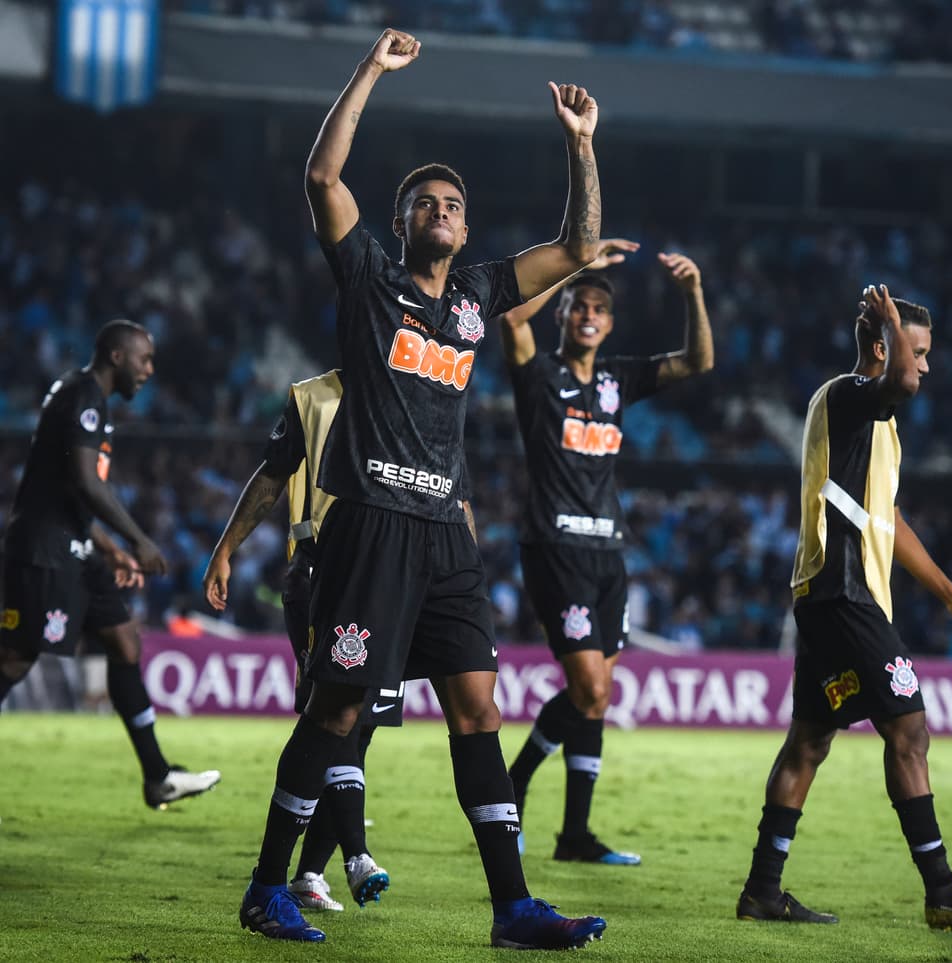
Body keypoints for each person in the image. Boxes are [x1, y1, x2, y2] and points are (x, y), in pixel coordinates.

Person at [237, 28, 607, 949]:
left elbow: (578, 248)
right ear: (401, 223)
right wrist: (371, 72)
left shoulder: (479, 292)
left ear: (466, 228)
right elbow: (324, 181)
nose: (441, 209)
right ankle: (265, 886)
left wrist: (581, 143)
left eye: (453, 202)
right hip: (371, 526)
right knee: (338, 709)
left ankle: (513, 907)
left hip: (447, 532)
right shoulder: (369, 275)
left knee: (478, 707)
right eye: (424, 202)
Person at [735, 285, 952, 929]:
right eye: (917, 352)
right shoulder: (849, 395)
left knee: (809, 742)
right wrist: (894, 327)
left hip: (829, 593)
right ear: (881, 348)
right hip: (844, 594)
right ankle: (942, 887)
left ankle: (762, 889)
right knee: (910, 732)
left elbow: (885, 520)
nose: (924, 366)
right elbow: (901, 381)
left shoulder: (873, 427)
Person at [499, 240, 712, 865]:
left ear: (611, 322)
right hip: (555, 548)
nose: (588, 313)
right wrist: (575, 265)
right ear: (563, 316)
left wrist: (693, 292)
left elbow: (698, 361)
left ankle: (575, 836)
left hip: (608, 554)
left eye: (598, 307)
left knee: (597, 697)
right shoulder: (540, 376)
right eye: (577, 305)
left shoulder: (619, 379)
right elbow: (513, 317)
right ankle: (515, 782)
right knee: (589, 687)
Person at [204, 369, 404, 913]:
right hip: (322, 570)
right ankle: (355, 857)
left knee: (361, 730)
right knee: (336, 715)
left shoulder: (421, 386)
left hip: (393, 576)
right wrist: (226, 549)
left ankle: (307, 874)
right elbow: (271, 475)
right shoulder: (313, 396)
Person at [0, 319, 220, 809]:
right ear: (117, 357)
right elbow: (84, 482)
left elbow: (66, 490)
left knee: (124, 641)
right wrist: (137, 540)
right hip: (45, 551)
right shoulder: (81, 396)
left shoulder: (87, 399)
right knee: (14, 658)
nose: (149, 370)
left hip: (76, 546)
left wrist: (110, 550)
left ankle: (158, 777)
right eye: (144, 360)